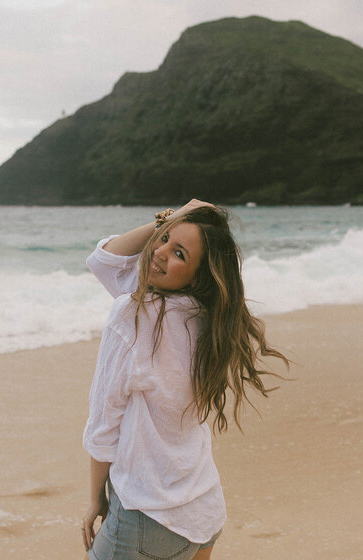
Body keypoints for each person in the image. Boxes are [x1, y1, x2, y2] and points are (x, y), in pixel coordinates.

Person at [81, 199, 289, 559]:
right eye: (162, 239)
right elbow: (105, 262)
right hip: (203, 512)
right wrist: (172, 222)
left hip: (146, 515)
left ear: (198, 275)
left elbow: (104, 425)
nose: (158, 253)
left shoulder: (134, 314)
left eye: (178, 253)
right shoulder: (211, 321)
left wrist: (94, 500)